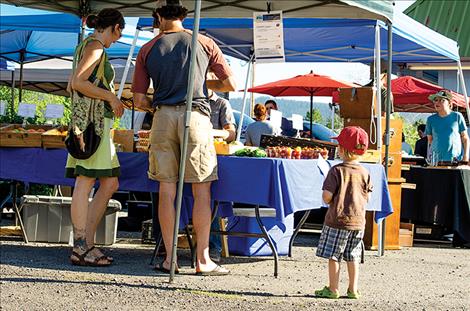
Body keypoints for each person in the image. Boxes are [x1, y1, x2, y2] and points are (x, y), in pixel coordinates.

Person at [132, 0, 236, 275]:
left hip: (163, 118)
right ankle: (202, 259)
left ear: (157, 16)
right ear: (183, 15)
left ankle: (170, 259)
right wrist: (201, 82)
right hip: (197, 116)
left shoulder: (147, 48)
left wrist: (162, 97)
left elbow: (139, 99)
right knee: (201, 190)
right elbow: (230, 84)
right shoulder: (204, 41)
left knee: (166, 191)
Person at [65, 8, 125, 266]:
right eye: (117, 35)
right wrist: (111, 96)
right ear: (116, 28)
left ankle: (86, 241)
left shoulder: (87, 46)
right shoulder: (96, 47)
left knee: (109, 184)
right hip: (94, 126)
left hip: (91, 123)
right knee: (85, 180)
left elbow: (71, 85)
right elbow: (78, 82)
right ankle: (81, 245)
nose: (116, 40)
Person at [315, 126, 373, 299]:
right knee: (353, 256)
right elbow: (367, 198)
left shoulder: (336, 171)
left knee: (334, 255)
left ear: (341, 149)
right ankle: (353, 289)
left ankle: (333, 289)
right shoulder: (365, 172)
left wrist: (329, 199)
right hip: (358, 222)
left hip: (337, 220)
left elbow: (327, 197)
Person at [208, 86, 236, 262]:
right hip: (189, 155)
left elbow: (231, 134)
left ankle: (213, 247)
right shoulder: (190, 102)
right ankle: (165, 244)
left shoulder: (221, 103)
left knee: (210, 199)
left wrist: (211, 133)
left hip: (214, 159)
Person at [425, 90, 469, 163]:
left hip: (455, 160)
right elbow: (430, 140)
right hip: (436, 161)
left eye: (441, 100)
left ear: (449, 103)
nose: (437, 102)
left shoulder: (457, 116)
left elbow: (465, 138)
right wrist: (430, 157)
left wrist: (466, 156)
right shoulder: (430, 119)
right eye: (435, 100)